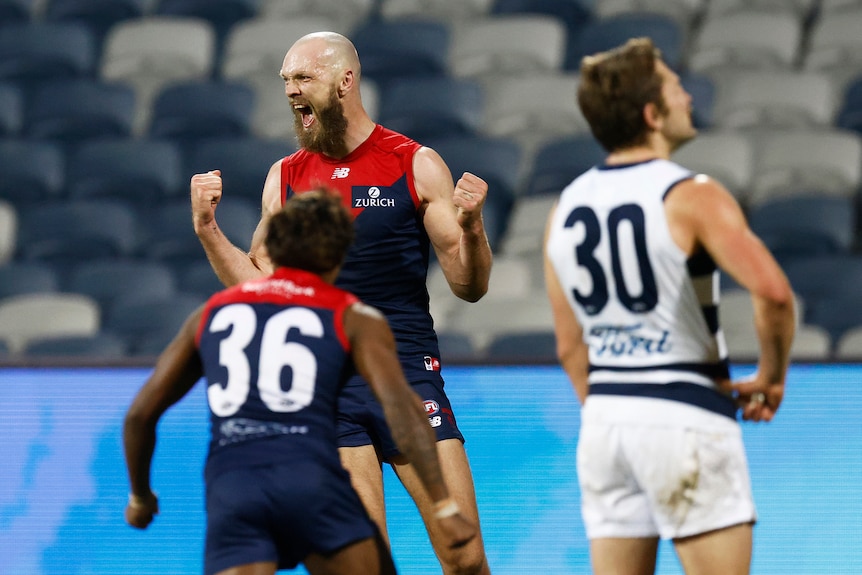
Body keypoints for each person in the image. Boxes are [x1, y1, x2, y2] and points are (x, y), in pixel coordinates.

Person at [189, 32, 492, 574]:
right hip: (327, 386)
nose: (290, 91)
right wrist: (209, 230)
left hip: (406, 376)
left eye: (302, 78)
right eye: (285, 80)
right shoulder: (285, 176)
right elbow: (259, 286)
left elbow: (468, 285)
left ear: (345, 80)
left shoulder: (413, 164)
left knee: (464, 557)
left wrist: (471, 229)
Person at [124, 190, 479, 575]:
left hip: (235, 488)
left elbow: (140, 416)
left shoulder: (211, 313)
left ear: (272, 247)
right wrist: (443, 504)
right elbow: (403, 410)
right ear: (338, 256)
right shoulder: (349, 315)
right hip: (311, 481)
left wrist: (141, 497)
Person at [543, 38, 796, 575]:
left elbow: (570, 347)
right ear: (653, 114)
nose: (687, 94)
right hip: (685, 418)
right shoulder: (692, 193)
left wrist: (618, 414)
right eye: (674, 86)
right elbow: (773, 293)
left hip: (605, 425)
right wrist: (772, 376)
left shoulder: (564, 206)